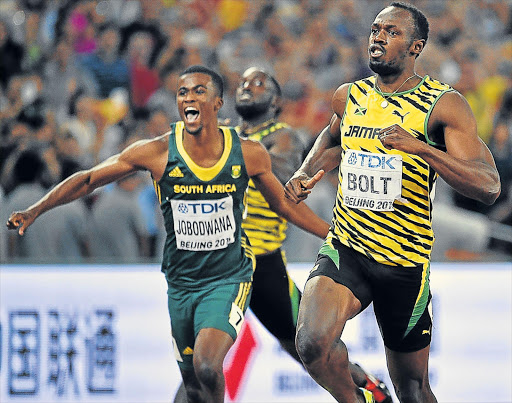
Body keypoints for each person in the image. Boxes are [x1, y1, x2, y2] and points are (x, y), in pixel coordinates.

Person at [6, 65, 329, 403]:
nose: (189, 97)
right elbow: (89, 179)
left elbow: (286, 206)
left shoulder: (248, 153)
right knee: (191, 386)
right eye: (182, 92)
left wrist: (335, 233)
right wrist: (36, 209)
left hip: (229, 275)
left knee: (207, 366)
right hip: (182, 281)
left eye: (199, 91)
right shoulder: (157, 152)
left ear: (218, 103)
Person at [284, 3, 501, 403]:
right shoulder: (350, 95)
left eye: (391, 32)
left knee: (413, 391)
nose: (378, 37)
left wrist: (420, 148)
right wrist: (306, 171)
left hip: (404, 263)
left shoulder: (443, 104)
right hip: (348, 248)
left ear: (416, 46)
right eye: (375, 29)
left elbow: (488, 186)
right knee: (311, 342)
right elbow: (333, 138)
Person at [173, 67, 393, 403]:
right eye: (244, 83)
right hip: (216, 263)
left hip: (261, 264)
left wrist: (232, 148)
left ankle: (368, 388)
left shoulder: (283, 136)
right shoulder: (224, 136)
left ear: (276, 102)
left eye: (259, 83)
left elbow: (287, 188)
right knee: (199, 367)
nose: (248, 87)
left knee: (309, 350)